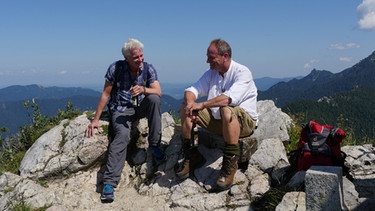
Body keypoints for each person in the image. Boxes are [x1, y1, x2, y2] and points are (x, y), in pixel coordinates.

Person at [85, 38, 166, 203]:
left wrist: (143, 89)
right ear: (127, 58)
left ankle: (155, 145)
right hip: (121, 109)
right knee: (122, 135)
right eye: (136, 57)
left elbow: (158, 91)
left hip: (140, 106)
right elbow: (106, 94)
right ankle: (109, 183)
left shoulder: (148, 68)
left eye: (141, 55)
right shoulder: (116, 68)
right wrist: (96, 120)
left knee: (154, 100)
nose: (140, 60)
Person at [176, 38, 258, 191]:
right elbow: (191, 90)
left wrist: (201, 105)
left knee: (226, 109)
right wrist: (190, 105)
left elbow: (228, 99)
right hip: (219, 121)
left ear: (225, 56)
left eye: (211, 57)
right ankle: (192, 154)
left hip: (243, 123)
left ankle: (230, 164)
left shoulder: (242, 72)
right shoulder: (212, 73)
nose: (208, 61)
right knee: (184, 109)